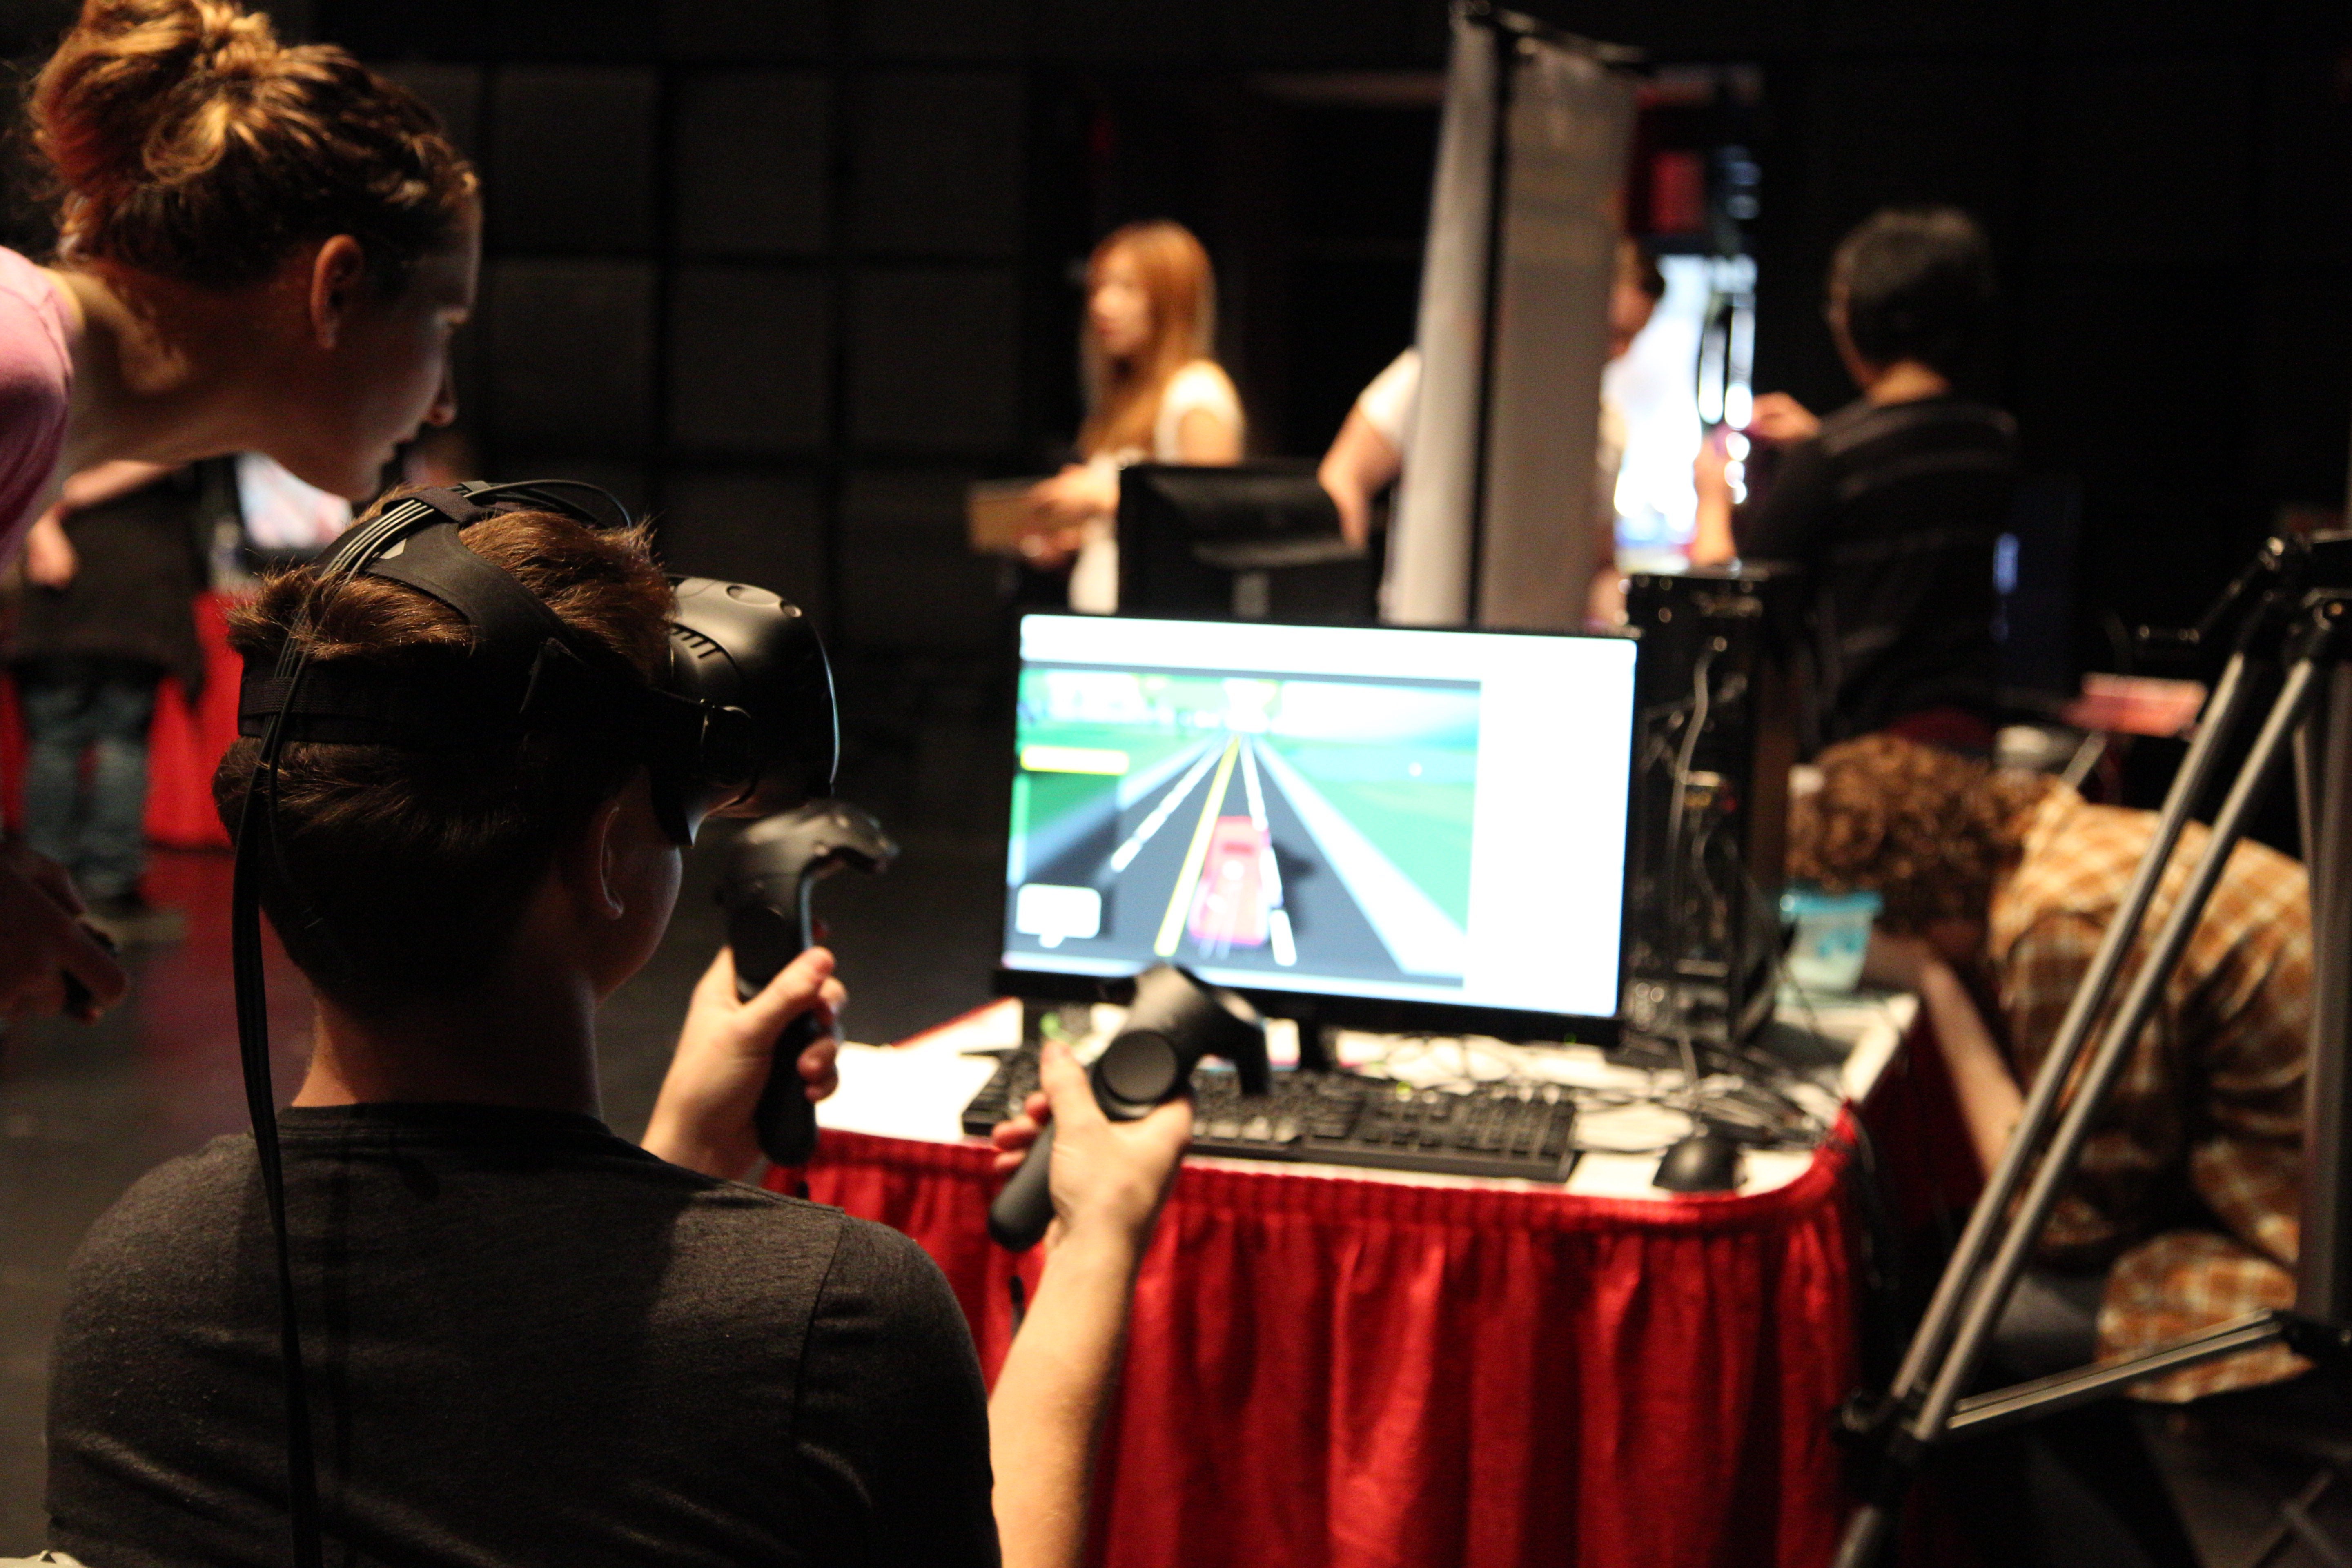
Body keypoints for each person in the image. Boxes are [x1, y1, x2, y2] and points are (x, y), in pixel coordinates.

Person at [43, 501, 1192, 1567]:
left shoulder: (144, 1277)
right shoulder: (831, 1320)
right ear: (603, 857)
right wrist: (1097, 1241)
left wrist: (682, 1146)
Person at [0, 0, 478, 1020]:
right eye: (443, 322)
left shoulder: (38, 405)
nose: (443, 400)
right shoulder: (14, 368)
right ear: (337, 290)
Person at [1789, 733, 2309, 1406]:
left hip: (2300, 1253)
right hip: (2288, 1181)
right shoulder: (2072, 836)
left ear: (1904, 902)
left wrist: (1934, 984)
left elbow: (2059, 1226)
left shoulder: (2059, 924)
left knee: (1967, 1314)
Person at [1690, 207, 2016, 751]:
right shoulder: (1994, 441)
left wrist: (1712, 504)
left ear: (1867, 316)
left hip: (1867, 762)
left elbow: (1737, 617)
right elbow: (1901, 480)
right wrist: (1825, 444)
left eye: (1840, 304)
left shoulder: (1831, 459)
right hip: (1972, 744)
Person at [1316, 238, 1664, 627]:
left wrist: (1630, 617)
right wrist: (1343, 606)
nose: (1619, 352)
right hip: (1426, 627)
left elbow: (1599, 564)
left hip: (1541, 641)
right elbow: (1345, 476)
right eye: (1612, 331)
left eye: (1632, 337)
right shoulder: (1440, 375)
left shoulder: (1607, 428)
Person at [7, 459, 217, 944]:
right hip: (131, 572)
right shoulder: (158, 396)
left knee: (56, 741)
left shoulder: (66, 399)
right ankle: (109, 891)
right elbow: (177, 447)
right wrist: (69, 497)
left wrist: (45, 517)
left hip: (63, 574)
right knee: (117, 739)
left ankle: (47, 889)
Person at [1018, 220, 1243, 613]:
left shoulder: (1196, 392)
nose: (1103, 305)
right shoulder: (1122, 398)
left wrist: (1104, 499)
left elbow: (1213, 521)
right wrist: (1073, 535)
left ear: (1170, 299)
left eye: (1126, 288)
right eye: (1099, 287)